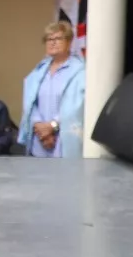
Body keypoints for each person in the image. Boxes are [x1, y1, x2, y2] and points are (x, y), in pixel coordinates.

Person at [16, 21, 87, 158]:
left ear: (69, 42)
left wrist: (52, 126)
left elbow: (78, 106)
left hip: (64, 140)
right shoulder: (39, 71)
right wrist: (39, 125)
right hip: (39, 141)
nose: (53, 42)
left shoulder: (80, 71)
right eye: (49, 39)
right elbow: (30, 103)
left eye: (58, 38)